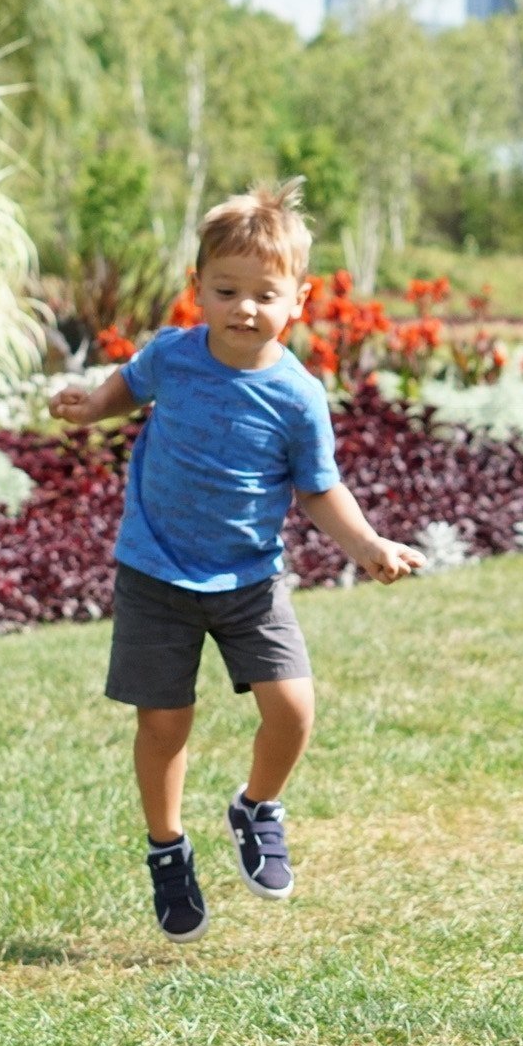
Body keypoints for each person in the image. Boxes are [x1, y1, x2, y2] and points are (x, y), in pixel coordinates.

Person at [51, 180, 425, 943]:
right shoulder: (173, 356)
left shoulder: (295, 396)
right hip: (155, 570)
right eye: (226, 290)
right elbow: (130, 385)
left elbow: (319, 489)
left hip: (250, 578)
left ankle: (257, 805)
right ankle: (167, 847)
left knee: (292, 708)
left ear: (299, 300)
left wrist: (367, 546)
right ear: (198, 289)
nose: (243, 307)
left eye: (264, 293)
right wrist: (93, 405)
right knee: (164, 720)